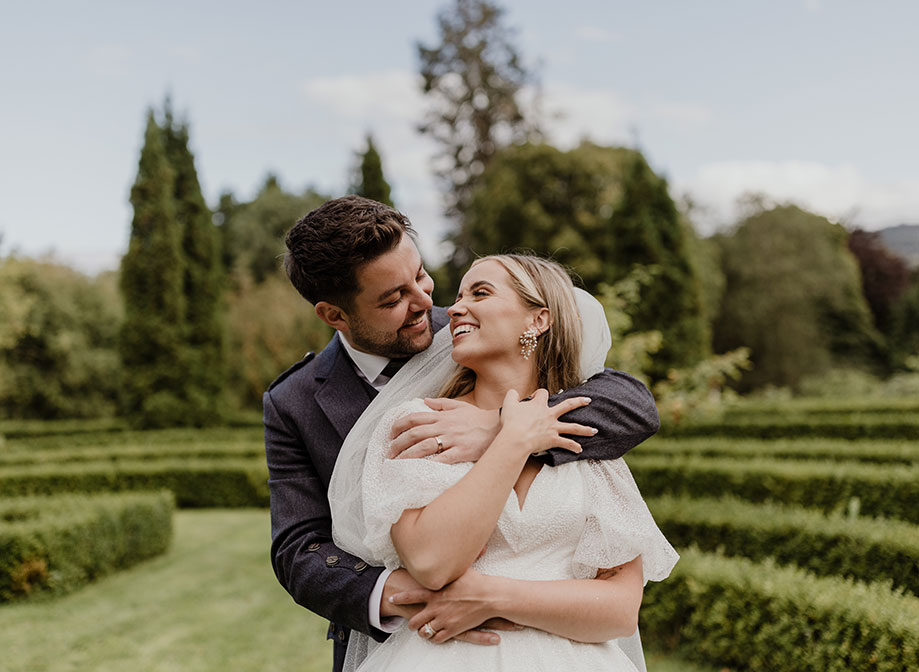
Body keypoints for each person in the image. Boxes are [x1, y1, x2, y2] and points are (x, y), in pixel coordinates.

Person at [264, 196, 661, 672]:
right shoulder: (294, 402)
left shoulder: (468, 327)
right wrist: (411, 596)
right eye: (392, 299)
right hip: (429, 644)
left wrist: (502, 428)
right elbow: (298, 548)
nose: (430, 304)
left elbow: (632, 402)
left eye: (422, 276)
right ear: (334, 315)